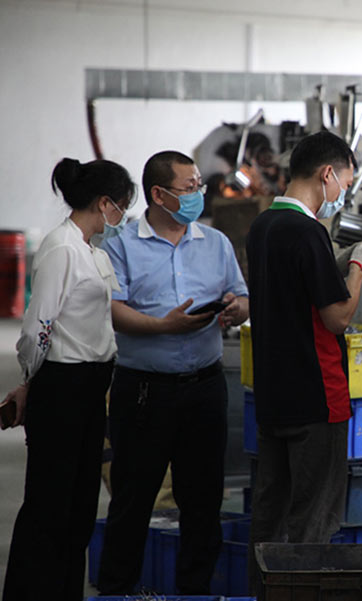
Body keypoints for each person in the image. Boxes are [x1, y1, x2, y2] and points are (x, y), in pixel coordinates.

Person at [96, 150, 249, 595]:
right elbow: (112, 310)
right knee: (133, 499)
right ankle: (117, 591)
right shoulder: (121, 245)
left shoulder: (215, 243)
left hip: (204, 388)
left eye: (200, 185)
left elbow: (241, 297)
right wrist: (165, 326)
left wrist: (235, 309)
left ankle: (194, 590)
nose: (198, 194)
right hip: (144, 392)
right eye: (189, 187)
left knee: (202, 502)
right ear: (159, 195)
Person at [245, 131, 362, 590]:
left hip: (274, 396)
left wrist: (336, 260)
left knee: (269, 520)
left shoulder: (264, 226)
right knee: (312, 524)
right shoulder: (308, 233)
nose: (343, 193)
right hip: (316, 398)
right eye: (344, 182)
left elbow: (295, 286)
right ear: (327, 174)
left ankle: (263, 594)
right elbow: (337, 318)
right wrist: (360, 266)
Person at [1, 157, 135, 601]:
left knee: (78, 507)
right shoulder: (62, 248)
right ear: (105, 203)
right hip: (63, 386)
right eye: (122, 206)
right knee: (49, 505)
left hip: (90, 385)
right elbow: (37, 328)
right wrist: (32, 382)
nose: (123, 216)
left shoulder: (90, 249)